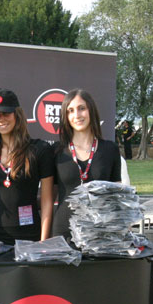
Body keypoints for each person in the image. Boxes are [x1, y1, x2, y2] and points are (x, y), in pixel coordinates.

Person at [0, 89, 54, 244]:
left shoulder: (39, 149)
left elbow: (47, 201)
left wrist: (44, 242)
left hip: (29, 234)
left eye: (6, 113)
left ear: (17, 114)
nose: (1, 119)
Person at [52, 89, 122, 240]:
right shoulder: (56, 151)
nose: (77, 115)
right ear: (65, 116)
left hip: (100, 232)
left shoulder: (110, 149)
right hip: (63, 231)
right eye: (70, 111)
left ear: (91, 110)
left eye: (82, 108)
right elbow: (48, 197)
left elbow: (116, 196)